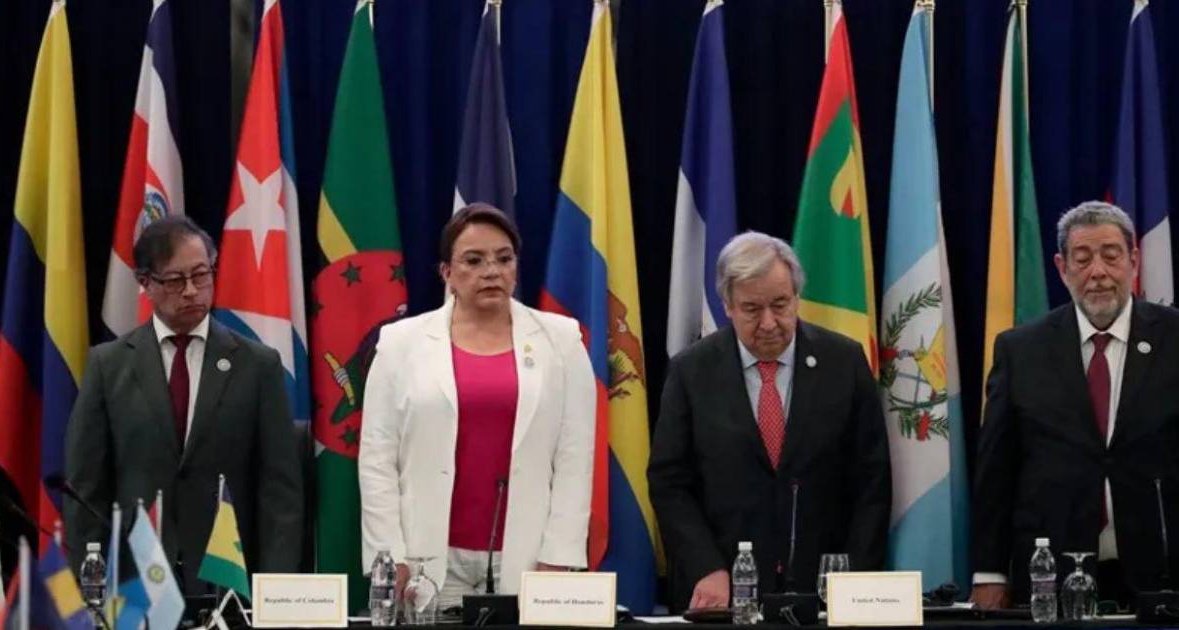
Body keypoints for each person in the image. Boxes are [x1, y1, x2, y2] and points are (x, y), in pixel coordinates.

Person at [358, 203, 595, 607]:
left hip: (529, 557)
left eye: (504, 259)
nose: (491, 271)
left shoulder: (562, 342)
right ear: (446, 272)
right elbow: (377, 458)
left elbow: (576, 458)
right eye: (474, 260)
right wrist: (390, 556)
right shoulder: (400, 344)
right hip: (424, 558)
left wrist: (559, 555)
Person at [648, 231, 891, 611]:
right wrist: (705, 567)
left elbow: (872, 482)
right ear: (727, 305)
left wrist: (854, 577)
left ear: (796, 297)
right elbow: (669, 483)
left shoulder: (843, 363)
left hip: (824, 591)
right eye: (751, 308)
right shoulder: (691, 371)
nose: (768, 323)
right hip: (722, 593)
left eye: (780, 305)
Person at [64, 215, 303, 590]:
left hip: (228, 581)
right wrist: (89, 587)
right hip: (136, 585)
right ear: (145, 282)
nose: (192, 290)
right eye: (175, 280)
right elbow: (85, 490)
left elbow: (280, 493)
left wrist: (275, 590)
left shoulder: (257, 365)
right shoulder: (108, 367)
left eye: (201, 275)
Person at [972, 201, 1179, 610]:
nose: (1097, 272)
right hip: (1052, 569)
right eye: (1082, 259)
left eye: (1111, 256)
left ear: (1134, 260)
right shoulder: (1021, 350)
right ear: (1061, 268)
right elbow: (997, 470)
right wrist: (990, 572)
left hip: (1164, 566)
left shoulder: (1173, 337)